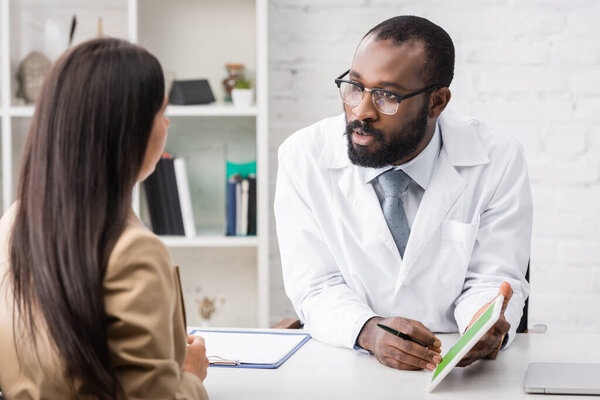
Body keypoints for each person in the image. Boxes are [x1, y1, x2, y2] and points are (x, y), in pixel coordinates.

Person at [274, 15, 532, 371]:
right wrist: (368, 332)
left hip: (454, 364)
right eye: (355, 87)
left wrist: (480, 325)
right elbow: (315, 285)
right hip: (349, 361)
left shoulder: (497, 159)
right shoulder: (302, 156)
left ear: (437, 102)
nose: (361, 111)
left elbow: (492, 278)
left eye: (386, 96)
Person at [0, 38, 209, 399]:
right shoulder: (133, 250)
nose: (167, 122)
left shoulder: (13, 222)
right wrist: (190, 375)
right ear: (125, 132)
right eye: (160, 112)